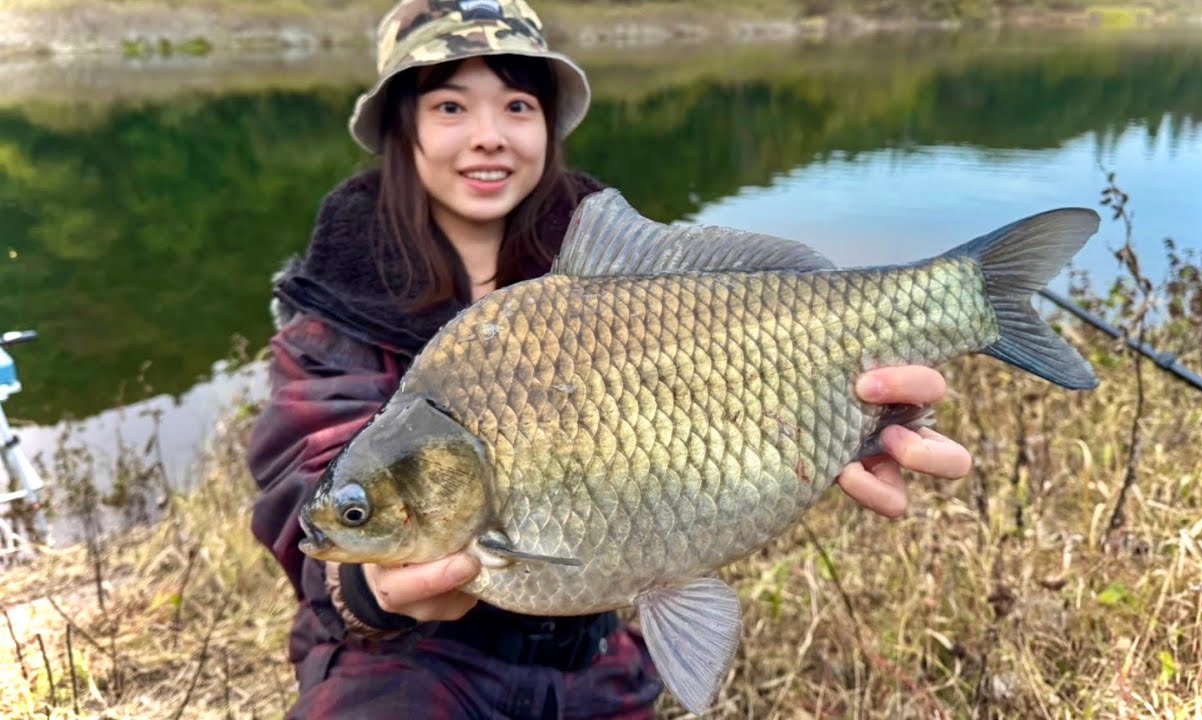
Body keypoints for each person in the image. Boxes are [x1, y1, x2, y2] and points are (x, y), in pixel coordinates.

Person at [247, 1, 973, 717]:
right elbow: (301, 493)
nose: (488, 136)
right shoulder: (332, 311)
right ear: (400, 129)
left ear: (548, 125)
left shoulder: (624, 285)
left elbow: (715, 425)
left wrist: (848, 419)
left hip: (591, 654)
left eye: (518, 105)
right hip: (402, 662)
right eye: (449, 107)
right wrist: (368, 587)